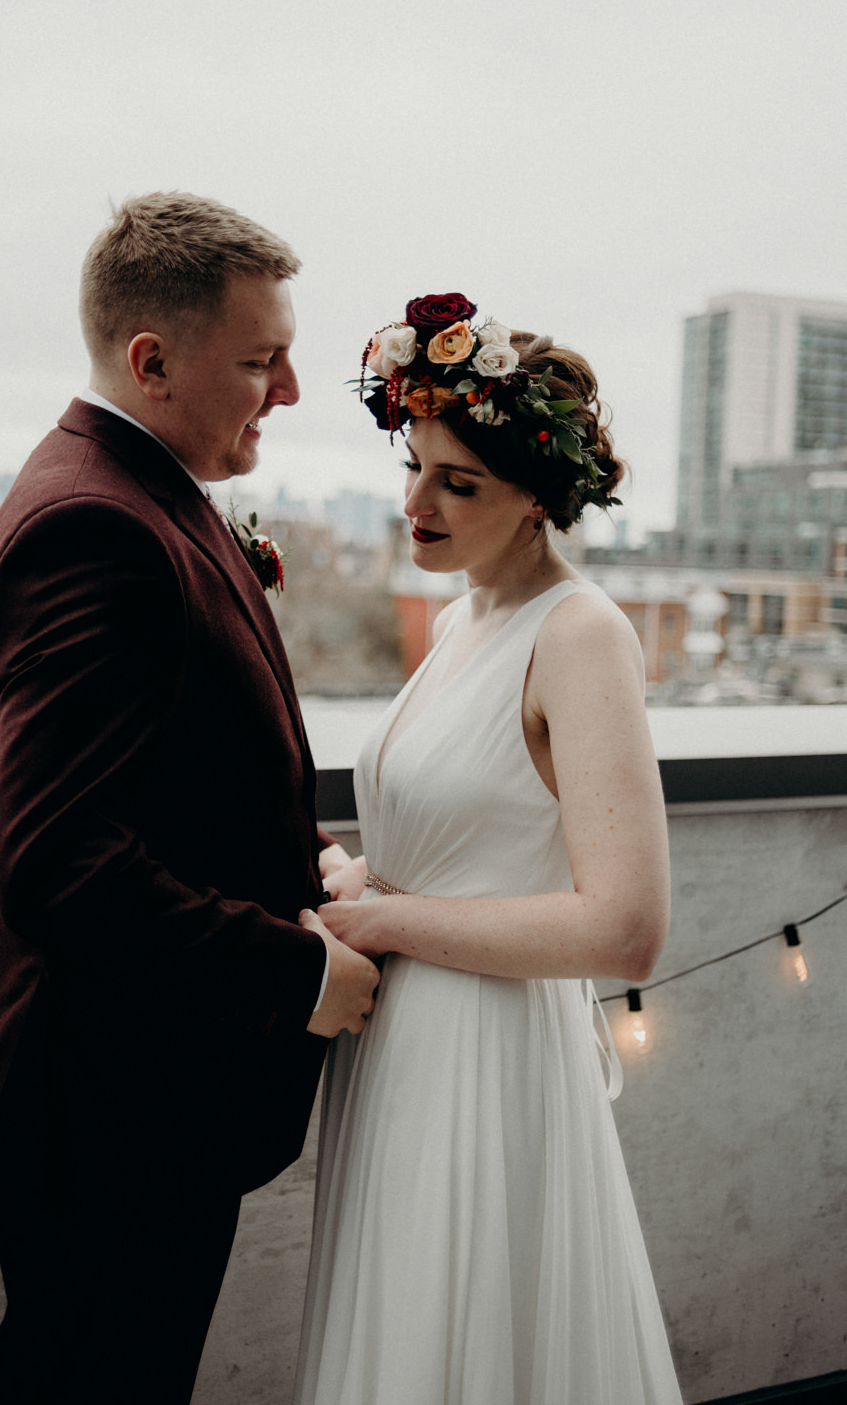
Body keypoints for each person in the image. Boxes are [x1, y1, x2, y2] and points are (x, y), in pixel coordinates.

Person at [0, 192, 381, 1404]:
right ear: (151, 361)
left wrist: (301, 859)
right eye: (260, 360)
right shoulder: (93, 525)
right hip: (107, 1122)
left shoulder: (140, 492)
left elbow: (169, 772)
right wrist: (294, 972)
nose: (290, 390)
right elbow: (59, 864)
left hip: (139, 1108)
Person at [296, 296, 682, 1404]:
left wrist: (378, 918)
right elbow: (472, 837)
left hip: (484, 1054)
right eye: (412, 467)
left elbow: (623, 926)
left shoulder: (581, 634)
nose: (414, 503)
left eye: (455, 482)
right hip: (399, 1043)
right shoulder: (465, 617)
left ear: (536, 499)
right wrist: (363, 879)